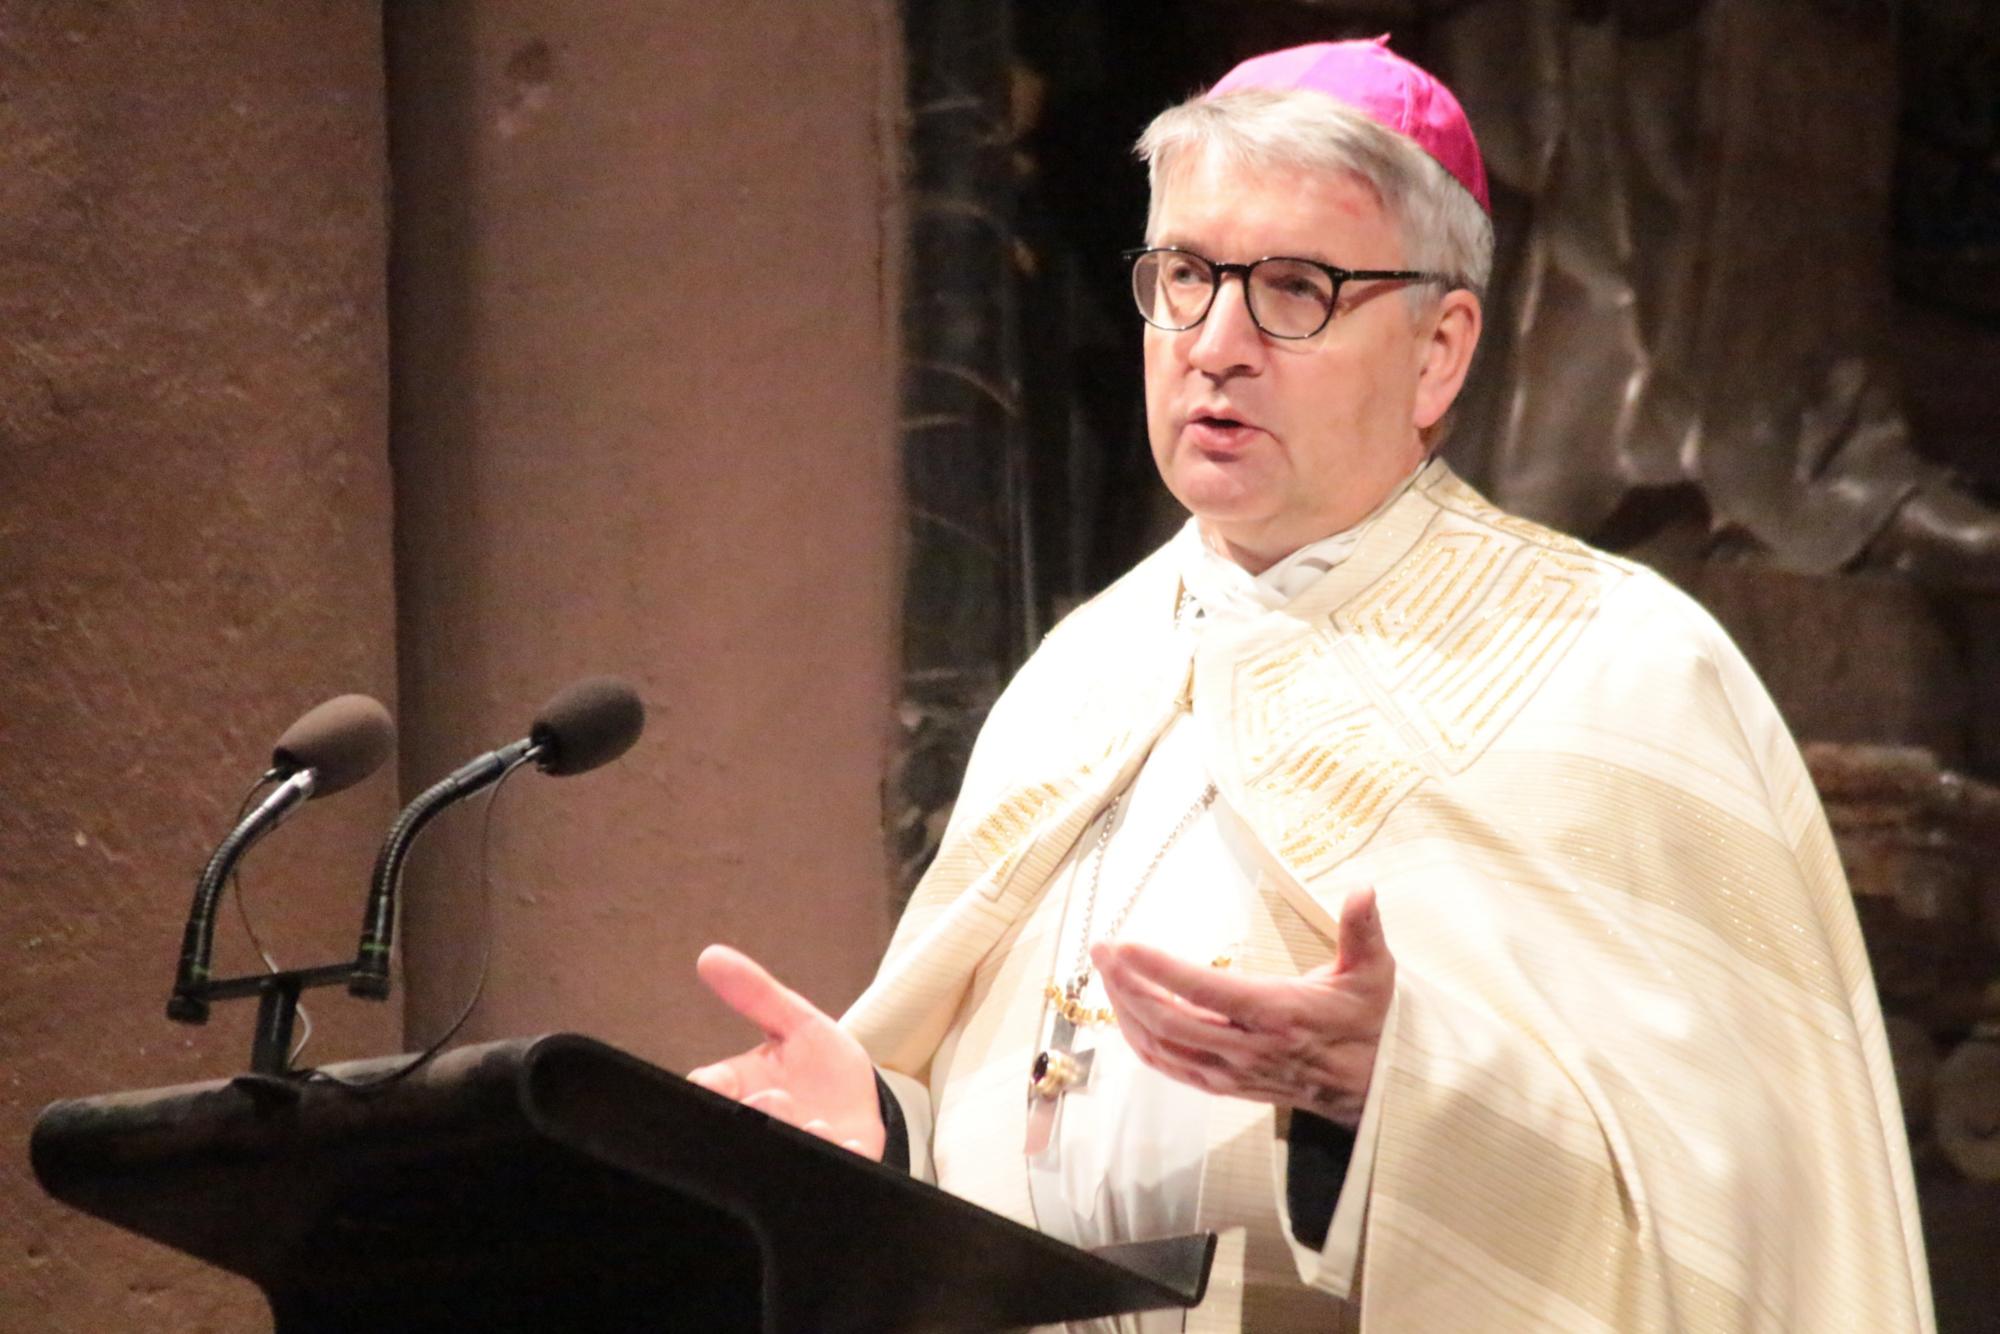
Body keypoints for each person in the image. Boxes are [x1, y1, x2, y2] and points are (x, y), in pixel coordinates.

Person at [689, 38, 1934, 1332]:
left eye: (1295, 288)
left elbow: (1736, 1216)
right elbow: (1034, 1129)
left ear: (1441, 350)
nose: (1216, 343)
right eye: (1182, 277)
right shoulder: (1078, 676)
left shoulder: (1623, 668)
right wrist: (888, 1126)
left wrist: (1399, 1098)